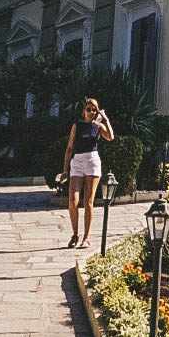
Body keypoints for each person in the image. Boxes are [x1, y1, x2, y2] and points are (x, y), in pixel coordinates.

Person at [61, 96, 115, 249]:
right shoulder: (76, 126)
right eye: (88, 109)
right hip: (77, 162)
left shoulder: (97, 126)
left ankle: (86, 238)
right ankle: (75, 234)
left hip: (92, 161)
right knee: (73, 200)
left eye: (94, 110)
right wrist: (65, 170)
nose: (91, 112)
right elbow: (69, 148)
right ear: (84, 111)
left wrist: (105, 119)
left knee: (88, 202)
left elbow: (111, 137)